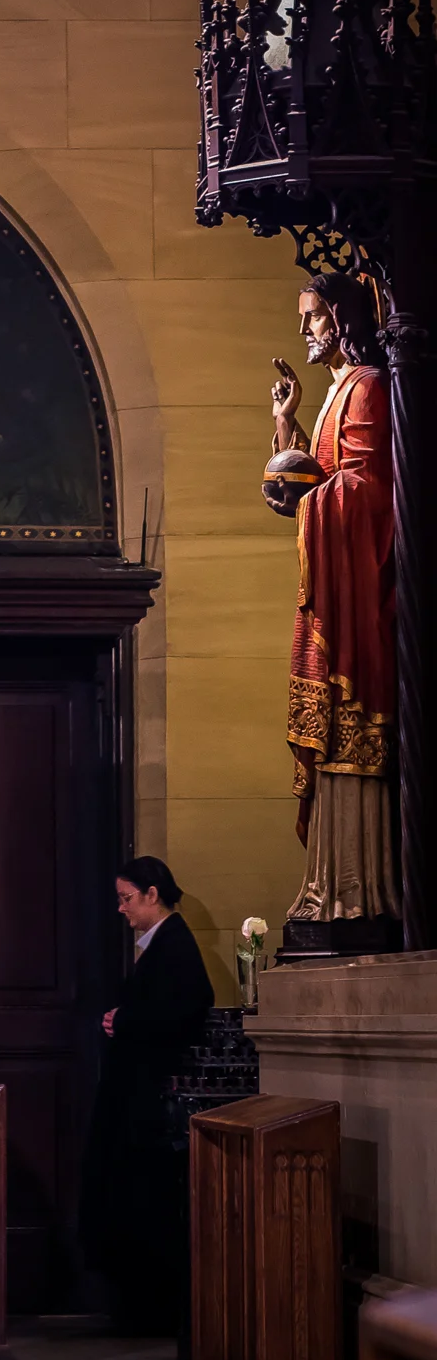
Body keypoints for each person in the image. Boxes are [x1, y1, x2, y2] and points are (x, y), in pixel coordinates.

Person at [266, 272, 397, 925]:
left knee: (350, 728)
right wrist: (285, 430)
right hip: (330, 592)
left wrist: (304, 494)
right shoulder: (336, 392)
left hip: (357, 606)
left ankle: (358, 894)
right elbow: (325, 480)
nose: (305, 330)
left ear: (343, 318)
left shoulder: (369, 386)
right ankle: (328, 889)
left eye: (314, 316)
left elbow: (370, 492)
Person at [79, 856, 214, 1337]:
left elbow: (191, 1006)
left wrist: (127, 1020)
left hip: (147, 1102)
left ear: (152, 894)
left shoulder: (173, 943)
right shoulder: (159, 943)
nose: (121, 908)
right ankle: (134, 1304)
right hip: (134, 1094)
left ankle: (149, 1311)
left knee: (146, 1202)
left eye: (126, 897)